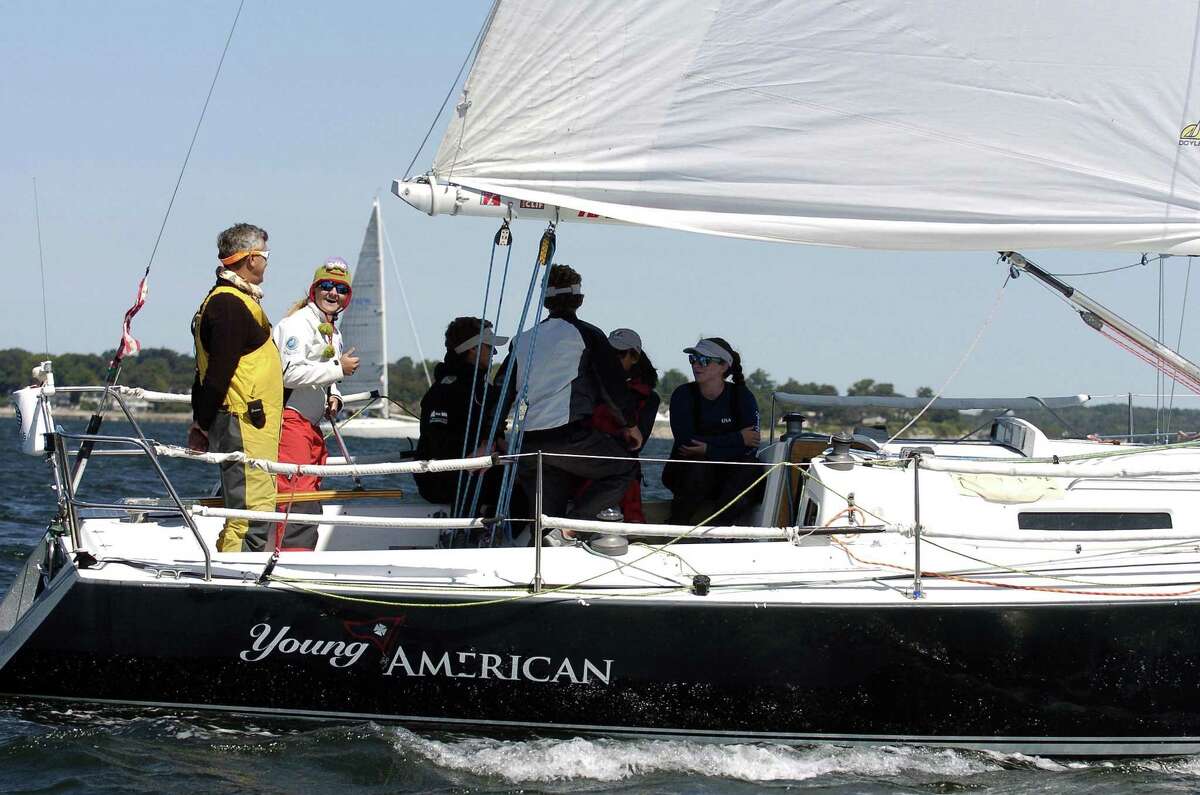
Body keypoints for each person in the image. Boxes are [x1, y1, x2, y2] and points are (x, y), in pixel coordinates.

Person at [497, 264, 641, 546]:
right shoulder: (588, 335)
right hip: (569, 439)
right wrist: (630, 425)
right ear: (579, 300)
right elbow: (611, 387)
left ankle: (544, 550)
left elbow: (500, 392)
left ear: (545, 301)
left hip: (526, 443)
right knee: (624, 467)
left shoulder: (523, 340)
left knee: (543, 522)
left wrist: (493, 437)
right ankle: (570, 530)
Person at [189, 223, 283, 553]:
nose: (268, 263)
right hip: (243, 424)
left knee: (246, 513)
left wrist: (201, 421)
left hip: (245, 425)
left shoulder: (227, 300)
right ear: (251, 259)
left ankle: (229, 570)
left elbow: (205, 371)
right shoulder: (230, 305)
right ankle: (234, 580)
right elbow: (216, 373)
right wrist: (202, 422)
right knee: (250, 517)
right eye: (266, 256)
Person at [270, 258, 360, 550]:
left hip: (310, 425)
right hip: (289, 420)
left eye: (341, 289)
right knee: (297, 492)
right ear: (314, 290)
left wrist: (335, 394)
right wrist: (338, 370)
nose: (333, 293)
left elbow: (325, 369)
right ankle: (292, 556)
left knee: (309, 488)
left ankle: (300, 550)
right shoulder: (296, 325)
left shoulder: (332, 330)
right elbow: (288, 372)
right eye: (326, 286)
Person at [664, 337, 764, 526]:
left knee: (750, 467)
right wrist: (737, 438)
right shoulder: (683, 395)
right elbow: (687, 443)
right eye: (693, 359)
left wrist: (709, 449)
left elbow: (751, 445)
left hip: (727, 479)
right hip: (686, 475)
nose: (696, 365)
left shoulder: (742, 397)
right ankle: (676, 525)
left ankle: (719, 529)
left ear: (723, 366)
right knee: (700, 466)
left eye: (704, 360)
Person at [414, 316, 510, 513]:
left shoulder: (483, 389)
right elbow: (437, 442)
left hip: (475, 471)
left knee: (529, 474)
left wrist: (497, 441)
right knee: (524, 488)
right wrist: (477, 454)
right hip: (445, 480)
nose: (494, 352)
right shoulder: (445, 391)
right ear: (472, 349)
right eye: (489, 347)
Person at [584, 328, 660, 523]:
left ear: (634, 357)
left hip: (618, 466)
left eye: (618, 354)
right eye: (608, 353)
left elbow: (637, 442)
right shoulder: (589, 385)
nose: (611, 359)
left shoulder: (648, 398)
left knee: (625, 477)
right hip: (584, 462)